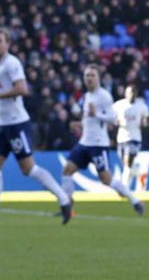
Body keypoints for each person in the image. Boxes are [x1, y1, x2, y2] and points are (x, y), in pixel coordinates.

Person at [0, 27, 72, 226]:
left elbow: (22, 89)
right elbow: (7, 92)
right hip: (2, 124)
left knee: (28, 169)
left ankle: (64, 199)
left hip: (16, 124)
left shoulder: (11, 63)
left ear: (7, 44)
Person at [60, 64, 144, 216]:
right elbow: (89, 119)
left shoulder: (104, 96)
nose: (89, 78)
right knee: (67, 171)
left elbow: (113, 118)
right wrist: (79, 124)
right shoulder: (86, 96)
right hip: (84, 142)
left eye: (92, 75)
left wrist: (96, 114)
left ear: (98, 78)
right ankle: (68, 207)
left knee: (106, 179)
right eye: (87, 76)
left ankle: (135, 201)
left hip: (98, 144)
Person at [112, 84, 149, 190]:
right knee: (126, 163)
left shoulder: (141, 106)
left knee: (128, 161)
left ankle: (123, 188)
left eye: (133, 93)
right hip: (122, 137)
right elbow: (111, 117)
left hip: (135, 137)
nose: (131, 95)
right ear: (125, 94)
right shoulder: (118, 105)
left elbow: (146, 119)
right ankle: (140, 175)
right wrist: (117, 121)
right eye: (129, 93)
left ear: (136, 94)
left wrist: (145, 123)